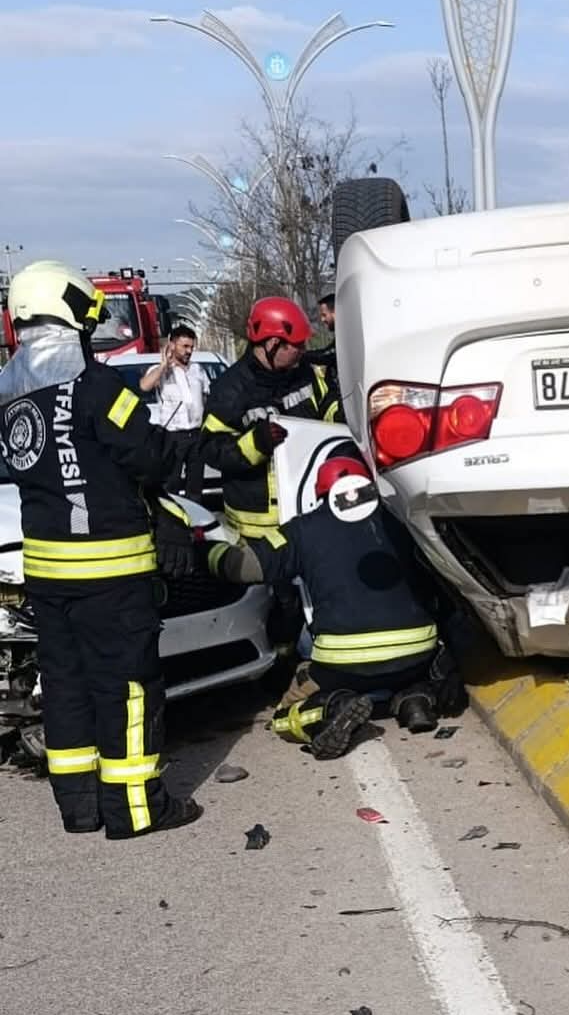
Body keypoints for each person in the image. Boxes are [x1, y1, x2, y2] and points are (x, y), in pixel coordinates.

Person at [0, 260, 202, 837]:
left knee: (67, 690)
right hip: (112, 575)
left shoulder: (10, 399)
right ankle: (137, 809)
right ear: (73, 319)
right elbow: (148, 457)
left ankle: (81, 808)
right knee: (128, 689)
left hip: (47, 577)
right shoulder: (96, 388)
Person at [207, 456, 464, 759]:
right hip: (417, 653)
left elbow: (242, 567)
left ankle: (332, 708)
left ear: (321, 492)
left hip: (343, 664)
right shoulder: (400, 518)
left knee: (283, 719)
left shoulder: (303, 529)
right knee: (408, 672)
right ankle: (415, 699)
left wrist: (210, 547)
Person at [199, 296, 339, 543]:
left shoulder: (304, 374)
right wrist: (255, 444)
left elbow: (327, 405)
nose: (303, 351)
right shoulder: (230, 388)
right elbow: (211, 448)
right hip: (257, 525)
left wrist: (343, 416)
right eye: (297, 345)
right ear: (274, 344)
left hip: (307, 507)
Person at [138, 324, 209, 501]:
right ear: (172, 345)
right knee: (171, 484)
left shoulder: (197, 370)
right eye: (184, 346)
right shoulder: (161, 370)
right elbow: (144, 386)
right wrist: (163, 365)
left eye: (191, 347)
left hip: (196, 434)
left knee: (195, 485)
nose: (189, 351)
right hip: (173, 436)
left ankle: (195, 515)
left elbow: (206, 397)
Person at [307, 292, 337, 397]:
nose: (322, 320)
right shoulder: (341, 334)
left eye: (324, 315)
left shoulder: (348, 333)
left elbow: (327, 355)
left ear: (335, 312)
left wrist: (302, 356)